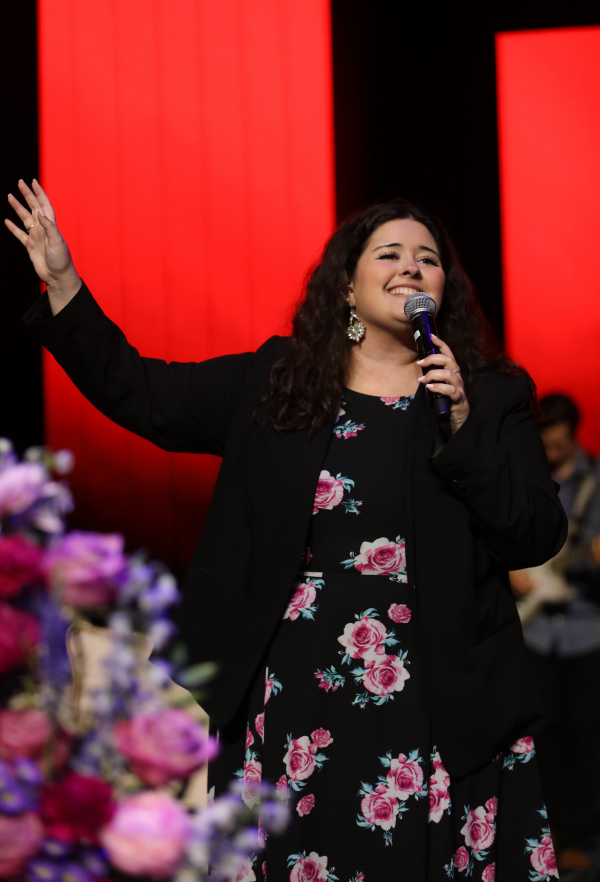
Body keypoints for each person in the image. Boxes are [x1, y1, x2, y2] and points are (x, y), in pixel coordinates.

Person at [6, 179, 567, 881]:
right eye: (389, 253)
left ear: (444, 290)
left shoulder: (489, 397)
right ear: (347, 289)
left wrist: (462, 427)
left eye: (428, 259)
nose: (411, 266)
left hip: (440, 692)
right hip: (299, 685)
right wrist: (64, 284)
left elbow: (535, 533)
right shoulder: (279, 382)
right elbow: (143, 393)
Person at [511, 393, 600, 881]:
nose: (551, 451)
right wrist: (509, 571)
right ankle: (544, 837)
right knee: (539, 739)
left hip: (587, 631)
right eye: (545, 442)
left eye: (559, 444)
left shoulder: (595, 483)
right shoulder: (524, 476)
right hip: (534, 632)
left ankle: (579, 839)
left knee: (586, 739)